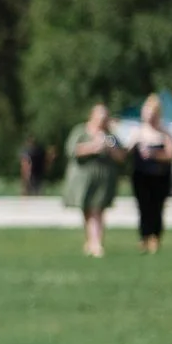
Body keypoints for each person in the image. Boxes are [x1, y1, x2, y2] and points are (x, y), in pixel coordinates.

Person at [62, 104, 125, 258]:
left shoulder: (110, 136)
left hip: (104, 178)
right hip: (83, 178)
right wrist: (93, 147)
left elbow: (121, 156)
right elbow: (72, 150)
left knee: (98, 209)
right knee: (87, 209)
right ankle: (91, 241)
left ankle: (96, 243)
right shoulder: (80, 131)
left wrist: (109, 148)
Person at [128, 96, 172, 253]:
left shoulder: (164, 133)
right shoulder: (137, 133)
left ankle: (155, 236)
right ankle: (144, 236)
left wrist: (154, 154)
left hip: (160, 175)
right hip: (141, 176)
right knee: (143, 207)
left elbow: (171, 155)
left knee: (157, 207)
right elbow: (126, 153)